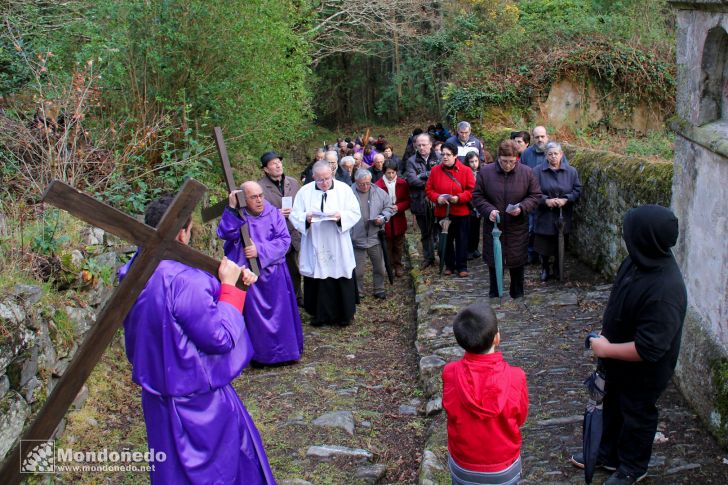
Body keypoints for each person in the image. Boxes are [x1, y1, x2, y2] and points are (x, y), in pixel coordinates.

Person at [120, 195, 275, 484]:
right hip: (198, 399)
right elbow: (221, 337)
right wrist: (229, 289)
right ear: (182, 232)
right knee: (222, 470)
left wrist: (234, 285)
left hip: (156, 396)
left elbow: (176, 314)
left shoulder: (132, 270)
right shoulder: (186, 280)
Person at [574, 205, 687, 485]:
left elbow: (650, 348)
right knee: (614, 404)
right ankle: (609, 454)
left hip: (644, 369)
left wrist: (606, 349)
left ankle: (633, 467)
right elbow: (622, 298)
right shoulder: (637, 260)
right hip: (618, 358)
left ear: (645, 237)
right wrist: (606, 332)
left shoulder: (665, 289)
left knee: (637, 412)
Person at [217, 181, 304, 366]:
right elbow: (225, 232)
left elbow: (284, 240)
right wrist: (231, 209)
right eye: (253, 197)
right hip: (250, 277)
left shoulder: (273, 213)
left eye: (261, 195)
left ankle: (285, 353)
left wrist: (260, 250)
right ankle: (261, 356)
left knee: (281, 315)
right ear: (243, 198)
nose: (259, 200)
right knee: (255, 319)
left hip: (274, 274)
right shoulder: (239, 216)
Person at [442, 303, 528, 485]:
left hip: (464, 466)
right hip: (504, 468)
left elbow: (450, 411)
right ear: (497, 338)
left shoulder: (450, 373)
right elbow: (520, 417)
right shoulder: (516, 377)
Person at [290, 161, 361, 326]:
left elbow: (355, 212)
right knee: (318, 275)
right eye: (320, 180)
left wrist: (340, 216)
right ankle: (319, 315)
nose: (324, 183)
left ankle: (344, 315)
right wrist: (305, 218)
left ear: (332, 174)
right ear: (313, 177)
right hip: (315, 239)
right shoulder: (304, 192)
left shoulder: (343, 189)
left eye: (327, 179)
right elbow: (295, 215)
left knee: (340, 271)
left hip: (338, 240)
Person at [472, 140, 541, 298]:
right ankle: (495, 295)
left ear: (517, 159)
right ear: (498, 158)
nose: (508, 165)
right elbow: (477, 196)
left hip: (517, 227)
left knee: (517, 264)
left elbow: (535, 195)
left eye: (512, 162)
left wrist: (522, 207)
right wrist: (488, 210)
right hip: (494, 228)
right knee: (495, 262)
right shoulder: (486, 172)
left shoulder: (527, 172)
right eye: (504, 161)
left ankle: (517, 295)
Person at [257, 151, 303, 305]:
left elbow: (302, 204)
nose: (277, 165)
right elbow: (256, 213)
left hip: (293, 231)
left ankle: (298, 296)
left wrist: (296, 212)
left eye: (279, 162)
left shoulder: (293, 182)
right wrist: (275, 213)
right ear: (266, 169)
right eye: (273, 163)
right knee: (279, 270)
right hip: (274, 236)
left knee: (296, 268)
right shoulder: (260, 187)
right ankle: (283, 299)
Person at [533, 142, 582, 281]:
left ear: (561, 154)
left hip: (563, 214)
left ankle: (557, 267)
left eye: (556, 154)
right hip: (545, 213)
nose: (553, 157)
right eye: (550, 154)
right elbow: (533, 192)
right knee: (544, 243)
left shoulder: (571, 171)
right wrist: (545, 200)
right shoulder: (537, 171)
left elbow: (577, 190)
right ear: (546, 156)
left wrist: (566, 199)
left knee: (560, 241)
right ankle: (545, 268)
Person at [425, 142, 475, 277]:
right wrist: (438, 198)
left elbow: (471, 191)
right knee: (445, 239)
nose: (445, 157)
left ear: (455, 156)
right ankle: (449, 265)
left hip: (461, 212)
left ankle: (462, 266)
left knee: (462, 239)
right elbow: (429, 190)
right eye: (443, 154)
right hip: (443, 212)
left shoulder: (466, 170)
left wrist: (458, 198)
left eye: (448, 154)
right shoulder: (435, 170)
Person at [350, 169, 394, 299]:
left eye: (367, 183)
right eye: (361, 184)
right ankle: (358, 291)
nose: (365, 186)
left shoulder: (379, 192)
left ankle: (379, 289)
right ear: (356, 182)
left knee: (380, 267)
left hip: (375, 236)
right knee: (358, 270)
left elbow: (388, 208)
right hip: (356, 238)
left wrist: (382, 217)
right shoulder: (348, 193)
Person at [405, 132, 441, 269]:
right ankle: (428, 257)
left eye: (424, 145)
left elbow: (443, 175)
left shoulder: (439, 157)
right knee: (425, 232)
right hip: (419, 201)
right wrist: (430, 179)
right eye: (418, 145)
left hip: (437, 201)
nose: (421, 147)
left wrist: (423, 176)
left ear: (430, 145)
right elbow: (412, 180)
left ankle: (443, 255)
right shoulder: (411, 161)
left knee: (439, 230)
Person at [375, 160, 410, 277]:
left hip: (398, 217)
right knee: (387, 244)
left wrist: (398, 206)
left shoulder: (402, 183)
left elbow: (407, 201)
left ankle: (398, 265)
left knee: (399, 244)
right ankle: (388, 266)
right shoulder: (378, 185)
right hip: (386, 220)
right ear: (384, 172)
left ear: (396, 172)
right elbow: (375, 203)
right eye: (388, 173)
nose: (390, 175)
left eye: (393, 173)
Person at [463, 151, 482, 260]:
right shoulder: (465, 172)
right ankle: (468, 249)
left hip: (479, 204)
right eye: (471, 162)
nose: (474, 164)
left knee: (476, 228)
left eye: (476, 161)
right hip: (468, 205)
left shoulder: (481, 173)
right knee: (468, 229)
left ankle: (475, 248)